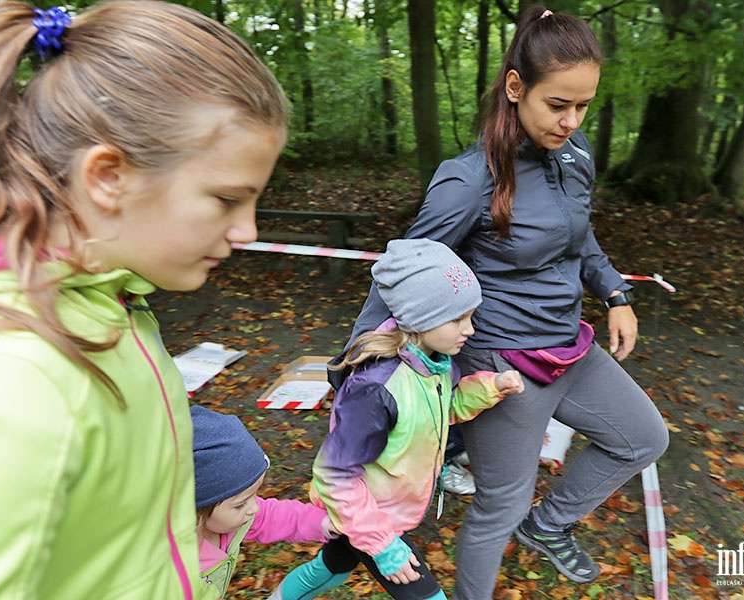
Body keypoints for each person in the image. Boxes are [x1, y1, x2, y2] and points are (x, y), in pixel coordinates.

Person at [337, 6, 669, 598]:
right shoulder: (470, 179)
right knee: (500, 504)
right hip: (502, 364)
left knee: (644, 437)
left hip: (570, 343)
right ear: (516, 88)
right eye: (558, 104)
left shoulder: (574, 153)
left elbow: (579, 234)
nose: (571, 121)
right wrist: (357, 363)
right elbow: (403, 272)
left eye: (583, 105)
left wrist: (615, 292)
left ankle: (549, 526)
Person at [0, 2, 287, 598]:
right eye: (226, 199)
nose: (247, 230)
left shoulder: (118, 306)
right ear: (108, 178)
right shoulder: (18, 383)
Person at [273, 239, 525, 600]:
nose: (469, 329)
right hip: (371, 517)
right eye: (458, 319)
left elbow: (443, 410)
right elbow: (334, 476)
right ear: (420, 317)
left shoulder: (434, 365)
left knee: (330, 569)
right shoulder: (377, 390)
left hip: (376, 516)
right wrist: (383, 545)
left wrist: (492, 387)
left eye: (470, 316)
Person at [191, 405, 335, 598]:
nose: (254, 507)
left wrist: (324, 522)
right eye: (241, 503)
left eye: (254, 495)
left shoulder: (228, 518)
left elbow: (272, 517)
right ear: (196, 512)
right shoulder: (169, 566)